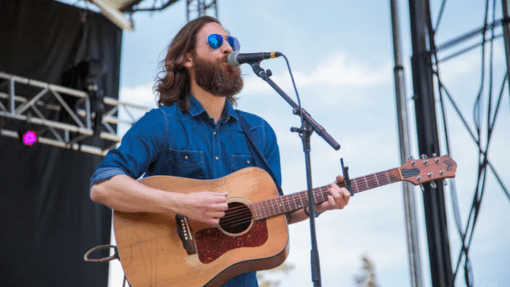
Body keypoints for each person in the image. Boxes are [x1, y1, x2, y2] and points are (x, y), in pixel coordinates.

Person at [89, 16, 350, 287]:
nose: (227, 48)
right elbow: (103, 187)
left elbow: (273, 214)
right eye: (215, 42)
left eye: (231, 41)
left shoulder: (260, 133)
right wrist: (183, 205)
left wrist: (316, 206)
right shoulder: (161, 124)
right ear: (187, 58)